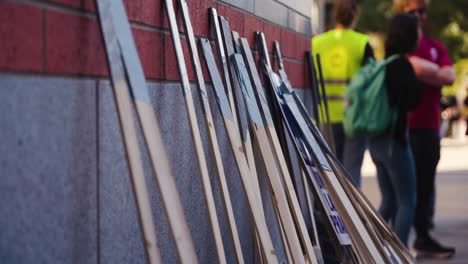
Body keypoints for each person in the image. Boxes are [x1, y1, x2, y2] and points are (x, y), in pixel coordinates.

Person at [394, 0, 456, 258]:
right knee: (404, 190)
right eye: (412, 11)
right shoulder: (400, 48)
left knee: (426, 184)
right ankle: (397, 242)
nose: (419, 15)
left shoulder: (434, 46)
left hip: (429, 127)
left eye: (421, 11)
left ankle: (423, 235)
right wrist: (433, 72)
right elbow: (411, 67)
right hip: (404, 130)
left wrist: (423, 70)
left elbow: (449, 76)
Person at [368, 13, 421, 247]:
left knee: (388, 200)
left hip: (376, 140)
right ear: (410, 35)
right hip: (394, 141)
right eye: (418, 30)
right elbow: (412, 100)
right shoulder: (402, 66)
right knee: (407, 201)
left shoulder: (384, 63)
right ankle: (399, 255)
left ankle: (372, 251)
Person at [312, 0, 374, 171]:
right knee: (351, 175)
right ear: (354, 16)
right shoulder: (361, 43)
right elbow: (372, 82)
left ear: (334, 15)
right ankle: (349, 200)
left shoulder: (317, 43)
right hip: (354, 118)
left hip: (324, 117)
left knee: (328, 172)